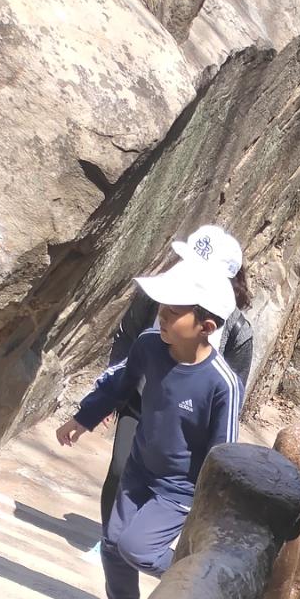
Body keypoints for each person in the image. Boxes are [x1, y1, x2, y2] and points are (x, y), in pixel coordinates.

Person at [55, 247, 243, 599]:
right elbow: (120, 385)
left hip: (178, 488)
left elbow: (223, 453)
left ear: (206, 327)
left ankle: (193, 579)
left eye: (173, 313)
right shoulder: (148, 345)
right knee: (112, 544)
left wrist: (213, 507)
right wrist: (83, 418)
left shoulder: (223, 384)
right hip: (139, 470)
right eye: (162, 309)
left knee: (137, 549)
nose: (163, 318)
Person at [95, 226, 253, 537]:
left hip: (190, 425)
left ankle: (150, 541)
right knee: (121, 470)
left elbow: (234, 392)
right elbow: (127, 337)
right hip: (141, 401)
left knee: (166, 485)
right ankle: (110, 539)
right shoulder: (154, 296)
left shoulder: (237, 331)